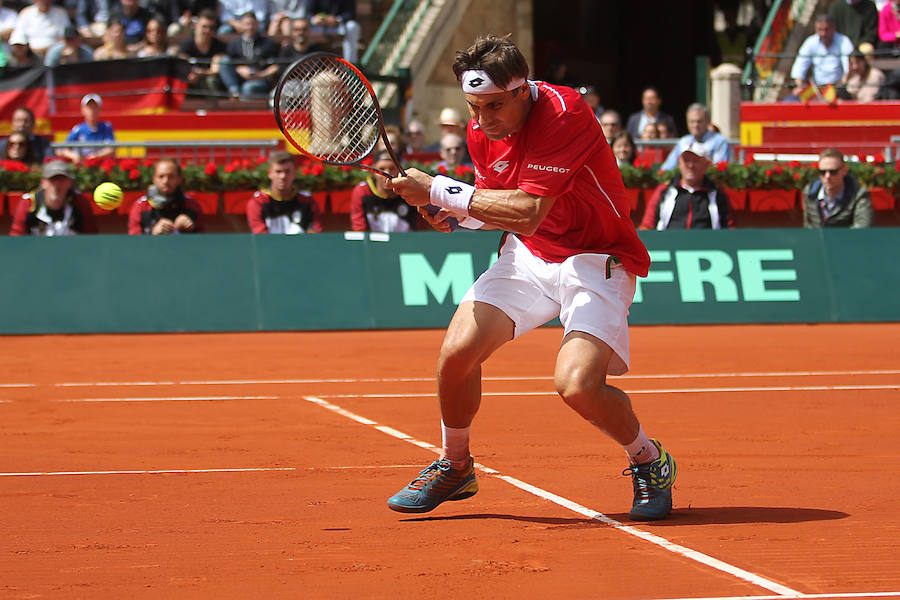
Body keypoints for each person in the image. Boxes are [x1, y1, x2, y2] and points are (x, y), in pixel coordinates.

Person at [385, 34, 677, 521]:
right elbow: (498, 206)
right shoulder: (485, 129)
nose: (483, 120)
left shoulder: (565, 113)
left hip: (595, 259)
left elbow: (528, 210)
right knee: (457, 355)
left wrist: (438, 188)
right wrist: (454, 215)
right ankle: (455, 466)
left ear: (524, 90)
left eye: (495, 105)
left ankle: (650, 460)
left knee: (578, 386)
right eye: (474, 107)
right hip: (529, 256)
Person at [640, 142, 734, 230]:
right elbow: (647, 226)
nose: (690, 165)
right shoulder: (664, 191)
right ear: (679, 163)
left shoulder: (717, 194)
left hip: (708, 246)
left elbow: (730, 230)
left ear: (706, 165)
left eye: (696, 161)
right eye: (686, 160)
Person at [10, 159, 98, 236]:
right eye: (52, 180)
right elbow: (17, 238)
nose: (57, 185)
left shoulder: (80, 202)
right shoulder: (29, 203)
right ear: (43, 183)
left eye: (61, 179)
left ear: (70, 183)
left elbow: (91, 237)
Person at [246, 150, 322, 234]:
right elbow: (261, 238)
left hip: (301, 246)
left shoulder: (307, 201)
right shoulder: (258, 202)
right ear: (269, 173)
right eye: (278, 171)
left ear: (294, 173)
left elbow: (314, 236)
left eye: (287, 171)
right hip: (269, 247)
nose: (283, 176)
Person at [128, 158, 204, 234]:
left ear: (180, 179)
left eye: (171, 176)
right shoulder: (141, 206)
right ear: (154, 179)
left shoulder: (192, 205)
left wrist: (191, 228)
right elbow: (133, 242)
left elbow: (203, 241)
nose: (165, 181)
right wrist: (152, 232)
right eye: (161, 176)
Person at [801, 148, 873, 228]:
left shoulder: (858, 194)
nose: (827, 176)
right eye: (822, 172)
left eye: (833, 172)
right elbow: (808, 226)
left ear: (844, 171)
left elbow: (862, 229)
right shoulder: (810, 193)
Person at [350, 150, 419, 232]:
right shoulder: (362, 191)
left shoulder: (411, 191)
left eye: (392, 169)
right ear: (373, 171)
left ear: (400, 170)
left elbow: (420, 230)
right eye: (381, 169)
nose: (387, 174)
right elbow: (359, 229)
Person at [788, 15, 855, 98]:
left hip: (839, 87)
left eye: (826, 30)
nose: (823, 34)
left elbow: (849, 67)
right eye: (820, 30)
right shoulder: (810, 42)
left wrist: (842, 84)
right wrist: (800, 86)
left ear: (833, 29)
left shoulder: (843, 41)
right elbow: (799, 67)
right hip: (817, 90)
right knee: (792, 99)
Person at [219, 11, 280, 98]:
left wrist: (261, 74)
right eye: (247, 24)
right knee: (224, 61)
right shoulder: (235, 43)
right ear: (241, 25)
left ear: (257, 24)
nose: (250, 27)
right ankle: (234, 91)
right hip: (240, 76)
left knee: (248, 88)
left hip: (260, 79)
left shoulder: (267, 43)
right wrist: (239, 69)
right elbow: (231, 61)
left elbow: (276, 66)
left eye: (252, 24)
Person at [660, 103, 732, 170]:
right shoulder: (683, 141)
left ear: (708, 122)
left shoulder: (718, 141)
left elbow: (718, 169)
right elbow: (667, 168)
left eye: (699, 121)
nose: (695, 125)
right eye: (692, 121)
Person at [176, 9, 227, 94]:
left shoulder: (219, 46)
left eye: (211, 28)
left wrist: (200, 73)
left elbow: (214, 70)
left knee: (211, 80)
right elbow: (183, 66)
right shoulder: (186, 45)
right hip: (191, 80)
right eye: (204, 27)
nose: (207, 31)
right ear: (196, 25)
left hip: (210, 82)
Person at [58, 94, 115, 164]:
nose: (92, 111)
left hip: (102, 168)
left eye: (94, 107)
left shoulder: (106, 127)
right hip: (84, 168)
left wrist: (96, 156)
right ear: (83, 110)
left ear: (100, 109)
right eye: (89, 108)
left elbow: (112, 148)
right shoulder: (78, 129)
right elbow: (63, 149)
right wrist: (74, 156)